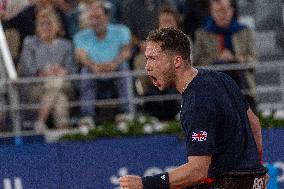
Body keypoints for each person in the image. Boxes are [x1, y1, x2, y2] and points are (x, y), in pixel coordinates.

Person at [119, 28, 268, 189]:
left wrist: (144, 184)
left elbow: (198, 171)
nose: (147, 66)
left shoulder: (196, 102)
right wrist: (257, 169)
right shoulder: (220, 77)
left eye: (153, 59)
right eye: (147, 59)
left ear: (177, 61)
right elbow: (254, 124)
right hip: (254, 181)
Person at [74, 0, 132, 123]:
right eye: (92, 18)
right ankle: (87, 117)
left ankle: (127, 113)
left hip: (115, 69)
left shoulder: (121, 31)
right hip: (94, 71)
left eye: (98, 17)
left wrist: (114, 64)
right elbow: (81, 56)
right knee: (85, 72)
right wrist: (93, 66)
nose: (95, 21)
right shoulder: (81, 36)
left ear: (107, 17)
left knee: (124, 67)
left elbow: (126, 51)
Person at [193, 0, 257, 112]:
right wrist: (218, 59)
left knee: (235, 68)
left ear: (232, 11)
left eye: (224, 10)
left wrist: (239, 59)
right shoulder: (202, 34)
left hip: (241, 82)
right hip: (214, 82)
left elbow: (254, 60)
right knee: (221, 66)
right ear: (211, 12)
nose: (221, 14)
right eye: (217, 11)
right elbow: (197, 63)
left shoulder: (244, 31)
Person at [18, 9, 76, 131]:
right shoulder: (30, 43)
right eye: (41, 24)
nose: (45, 27)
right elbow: (28, 69)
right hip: (36, 88)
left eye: (49, 24)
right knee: (60, 99)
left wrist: (62, 71)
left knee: (56, 81)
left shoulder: (66, 45)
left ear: (57, 26)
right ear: (37, 27)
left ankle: (40, 122)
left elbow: (72, 70)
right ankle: (64, 133)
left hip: (64, 86)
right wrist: (44, 72)